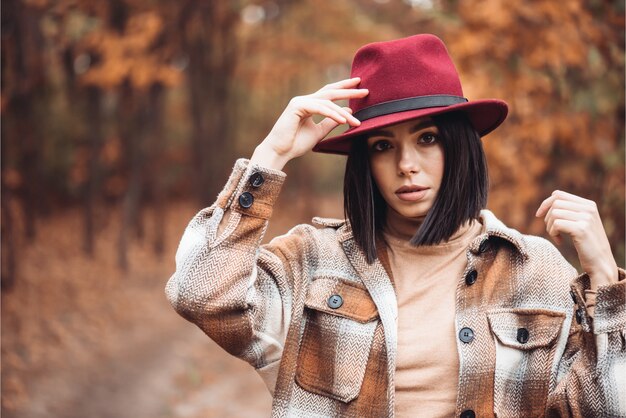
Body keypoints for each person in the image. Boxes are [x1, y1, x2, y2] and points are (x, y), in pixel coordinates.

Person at [166, 34, 624, 417]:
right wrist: (271, 155)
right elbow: (200, 294)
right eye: (383, 146)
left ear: (459, 147)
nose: (406, 165)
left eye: (427, 139)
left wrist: (605, 281)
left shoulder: (535, 270)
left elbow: (608, 407)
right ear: (365, 163)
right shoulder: (313, 260)